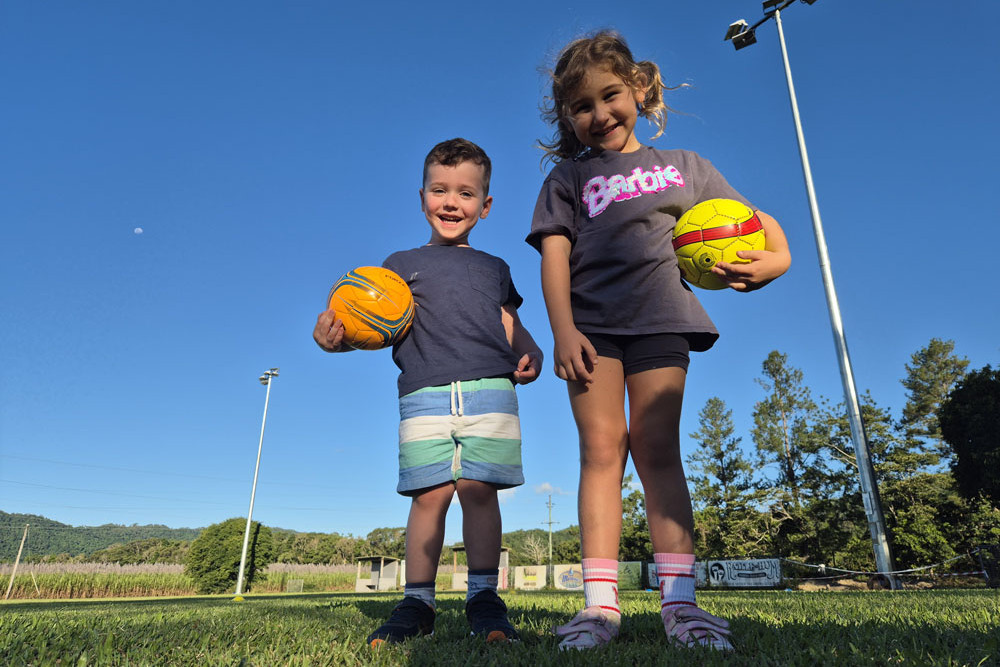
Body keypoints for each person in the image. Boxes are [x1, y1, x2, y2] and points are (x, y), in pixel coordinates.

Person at [526, 31, 791, 651]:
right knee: (601, 450)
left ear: (639, 90)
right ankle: (599, 607)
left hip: (662, 320)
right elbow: (555, 257)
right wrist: (562, 329)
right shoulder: (568, 179)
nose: (599, 115)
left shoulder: (686, 167)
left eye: (611, 95)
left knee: (656, 448)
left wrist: (776, 260)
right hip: (590, 331)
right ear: (566, 117)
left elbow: (754, 219)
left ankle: (682, 606)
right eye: (582, 107)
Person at [314, 138, 543, 647]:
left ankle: (484, 599)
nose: (450, 202)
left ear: (485, 206)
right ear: (422, 198)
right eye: (439, 190)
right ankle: (416, 602)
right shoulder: (397, 264)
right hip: (422, 394)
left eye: (465, 193)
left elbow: (508, 319)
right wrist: (335, 342)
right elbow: (375, 327)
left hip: (491, 391)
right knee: (429, 496)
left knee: (480, 493)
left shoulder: (494, 267)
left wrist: (529, 348)